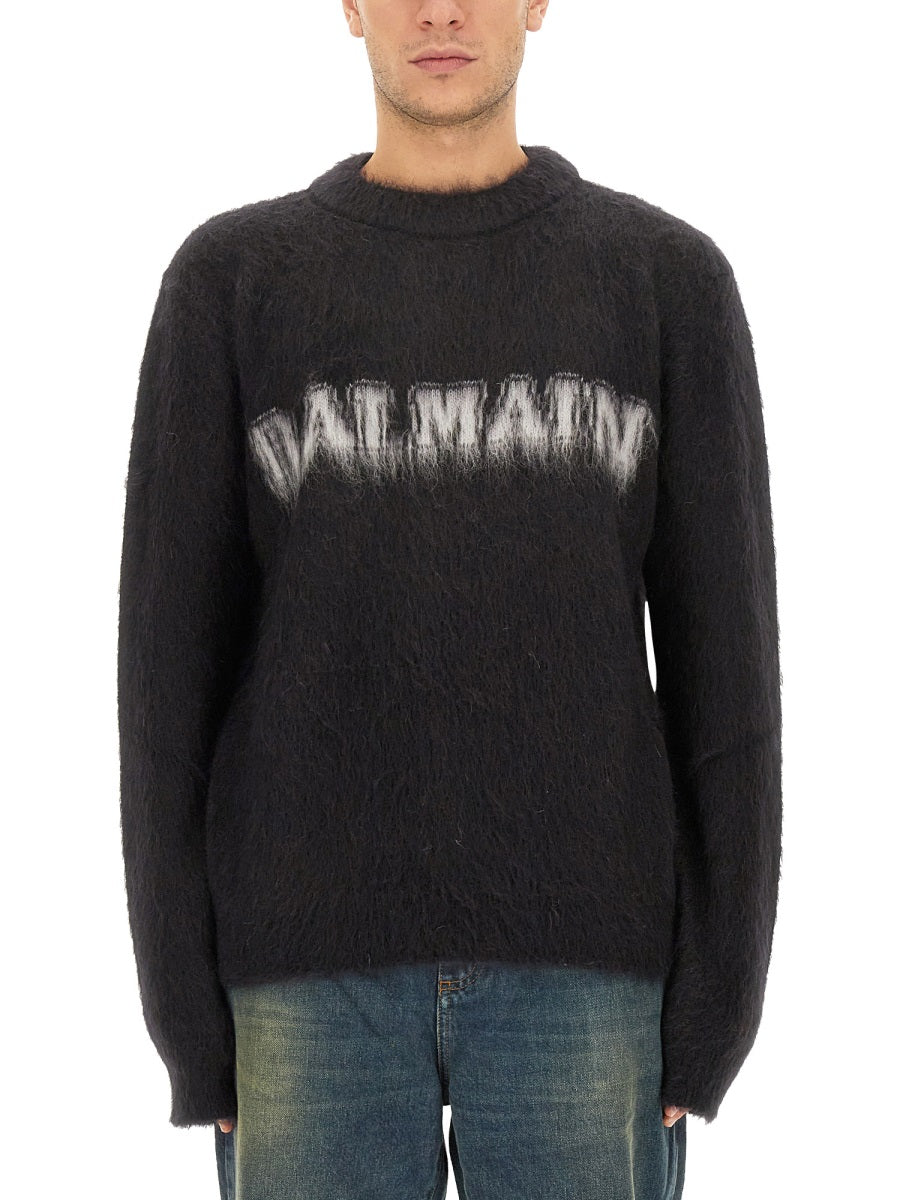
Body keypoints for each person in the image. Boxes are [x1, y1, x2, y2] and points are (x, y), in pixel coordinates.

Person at [116, 1, 782, 1197]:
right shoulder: (232, 283)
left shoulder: (664, 281)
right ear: (348, 6)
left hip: (590, 974)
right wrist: (185, 1020)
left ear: (538, 1)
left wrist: (719, 1007)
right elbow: (164, 686)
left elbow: (727, 676)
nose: (439, 9)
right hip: (299, 983)